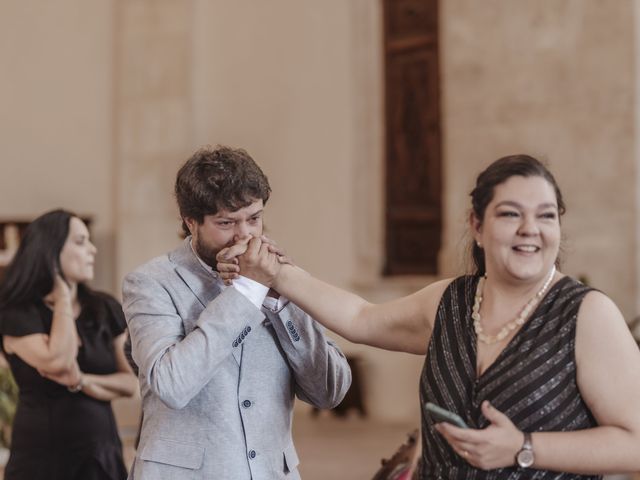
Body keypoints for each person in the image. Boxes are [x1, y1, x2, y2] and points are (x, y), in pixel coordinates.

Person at [218, 154, 640, 479]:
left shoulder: (586, 314)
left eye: (546, 215)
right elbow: (361, 318)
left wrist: (524, 448)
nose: (531, 228)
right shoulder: (451, 302)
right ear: (477, 225)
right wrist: (274, 272)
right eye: (511, 214)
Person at [122, 145, 351, 479]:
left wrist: (279, 298)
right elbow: (171, 385)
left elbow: (329, 391)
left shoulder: (279, 275)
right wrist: (247, 292)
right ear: (191, 222)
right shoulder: (150, 283)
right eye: (226, 222)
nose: (245, 235)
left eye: (254, 219)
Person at [0, 209, 137, 480]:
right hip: (39, 457)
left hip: (100, 455)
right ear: (51, 250)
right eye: (80, 241)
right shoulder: (17, 313)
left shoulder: (104, 308)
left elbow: (130, 384)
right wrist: (63, 297)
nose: (93, 249)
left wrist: (82, 381)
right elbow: (58, 360)